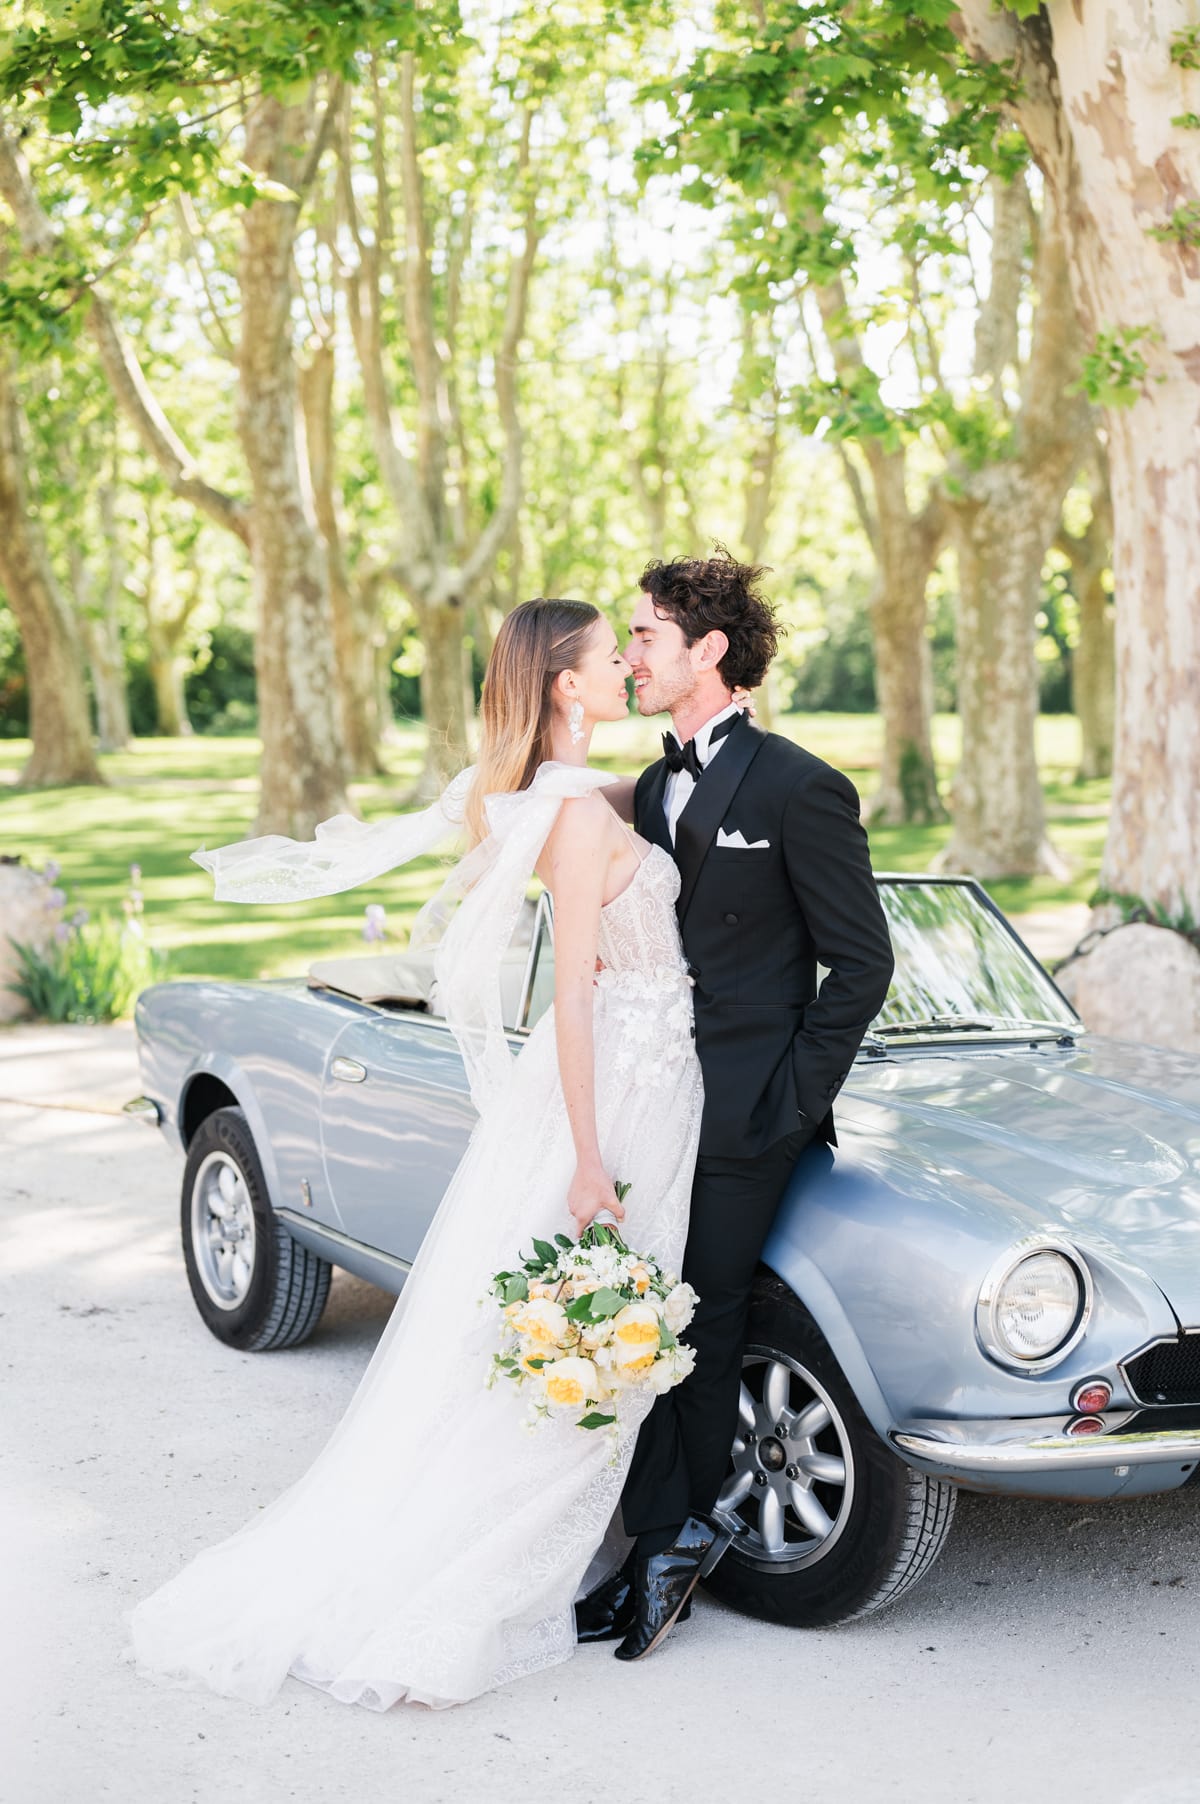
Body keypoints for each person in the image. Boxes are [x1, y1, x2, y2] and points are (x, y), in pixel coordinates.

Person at [127, 599, 707, 1710]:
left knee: (562, 1311)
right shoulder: (576, 817)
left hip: (641, 1072)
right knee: (592, 1299)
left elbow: (658, 785)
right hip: (618, 1087)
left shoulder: (550, 797)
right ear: (566, 688)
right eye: (607, 658)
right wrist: (591, 1159)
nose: (627, 668)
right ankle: (489, 1558)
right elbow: (575, 999)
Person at [575, 549, 896, 1660]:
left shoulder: (802, 785)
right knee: (648, 1319)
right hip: (656, 1095)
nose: (630, 653)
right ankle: (648, 1541)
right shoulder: (656, 787)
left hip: (751, 1112)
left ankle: (670, 1547)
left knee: (701, 1324)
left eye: (647, 635)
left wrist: (790, 1104)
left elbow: (861, 967)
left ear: (710, 649)